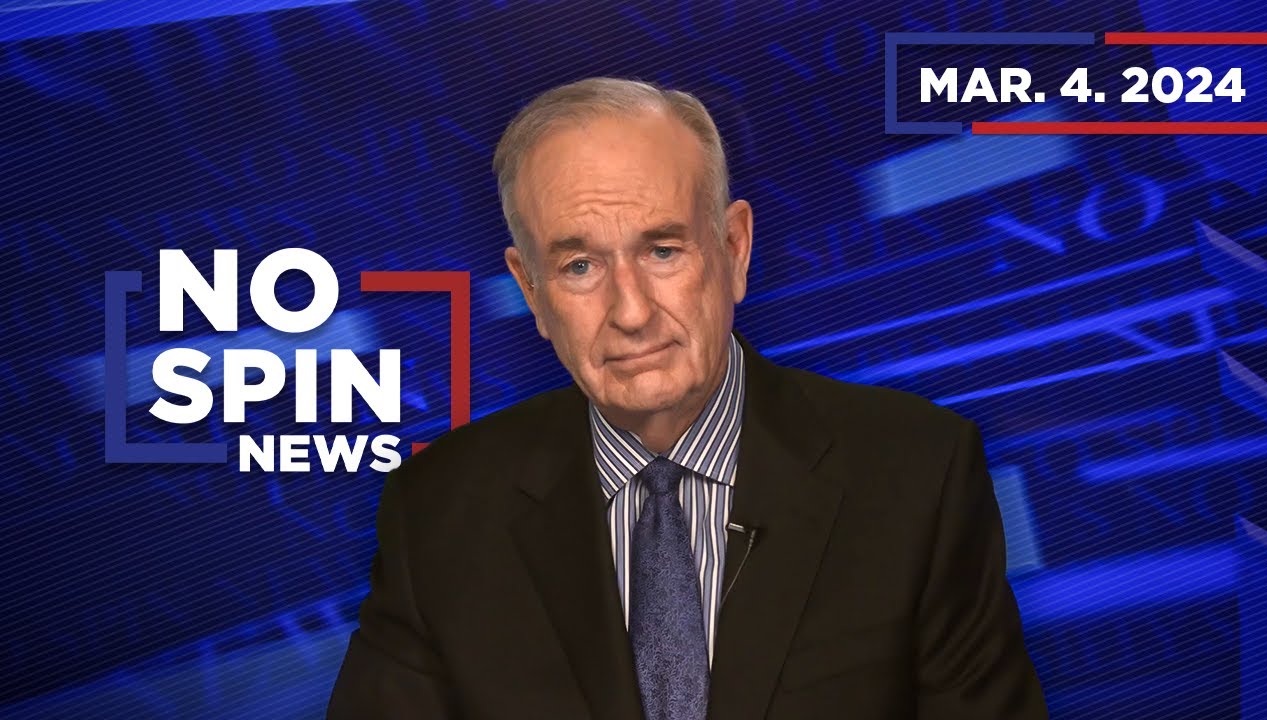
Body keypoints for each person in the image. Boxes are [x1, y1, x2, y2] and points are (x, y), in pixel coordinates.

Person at [327, 77, 1048, 719]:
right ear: (532, 292)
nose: (631, 311)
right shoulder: (438, 511)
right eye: (579, 266)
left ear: (734, 248)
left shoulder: (919, 473)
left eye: (663, 251)